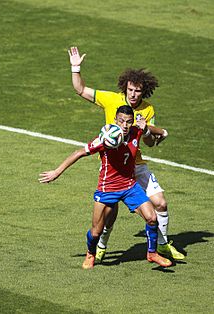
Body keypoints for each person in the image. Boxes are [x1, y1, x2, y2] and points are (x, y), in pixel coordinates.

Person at [68, 46, 185, 262]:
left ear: (144, 92)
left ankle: (162, 246)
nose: (133, 94)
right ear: (125, 88)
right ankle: (101, 246)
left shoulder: (148, 110)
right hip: (115, 166)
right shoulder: (111, 99)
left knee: (160, 203)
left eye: (138, 91)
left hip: (137, 165)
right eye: (130, 90)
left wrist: (147, 128)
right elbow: (80, 89)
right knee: (110, 214)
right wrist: (76, 67)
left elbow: (149, 143)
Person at [39, 106, 172, 269]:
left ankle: (152, 253)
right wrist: (56, 172)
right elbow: (79, 152)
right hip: (107, 189)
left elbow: (150, 130)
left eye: (129, 122)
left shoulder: (136, 132)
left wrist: (159, 132)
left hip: (130, 186)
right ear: (115, 120)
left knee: (152, 218)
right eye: (121, 121)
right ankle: (91, 253)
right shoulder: (105, 138)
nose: (125, 125)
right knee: (96, 231)